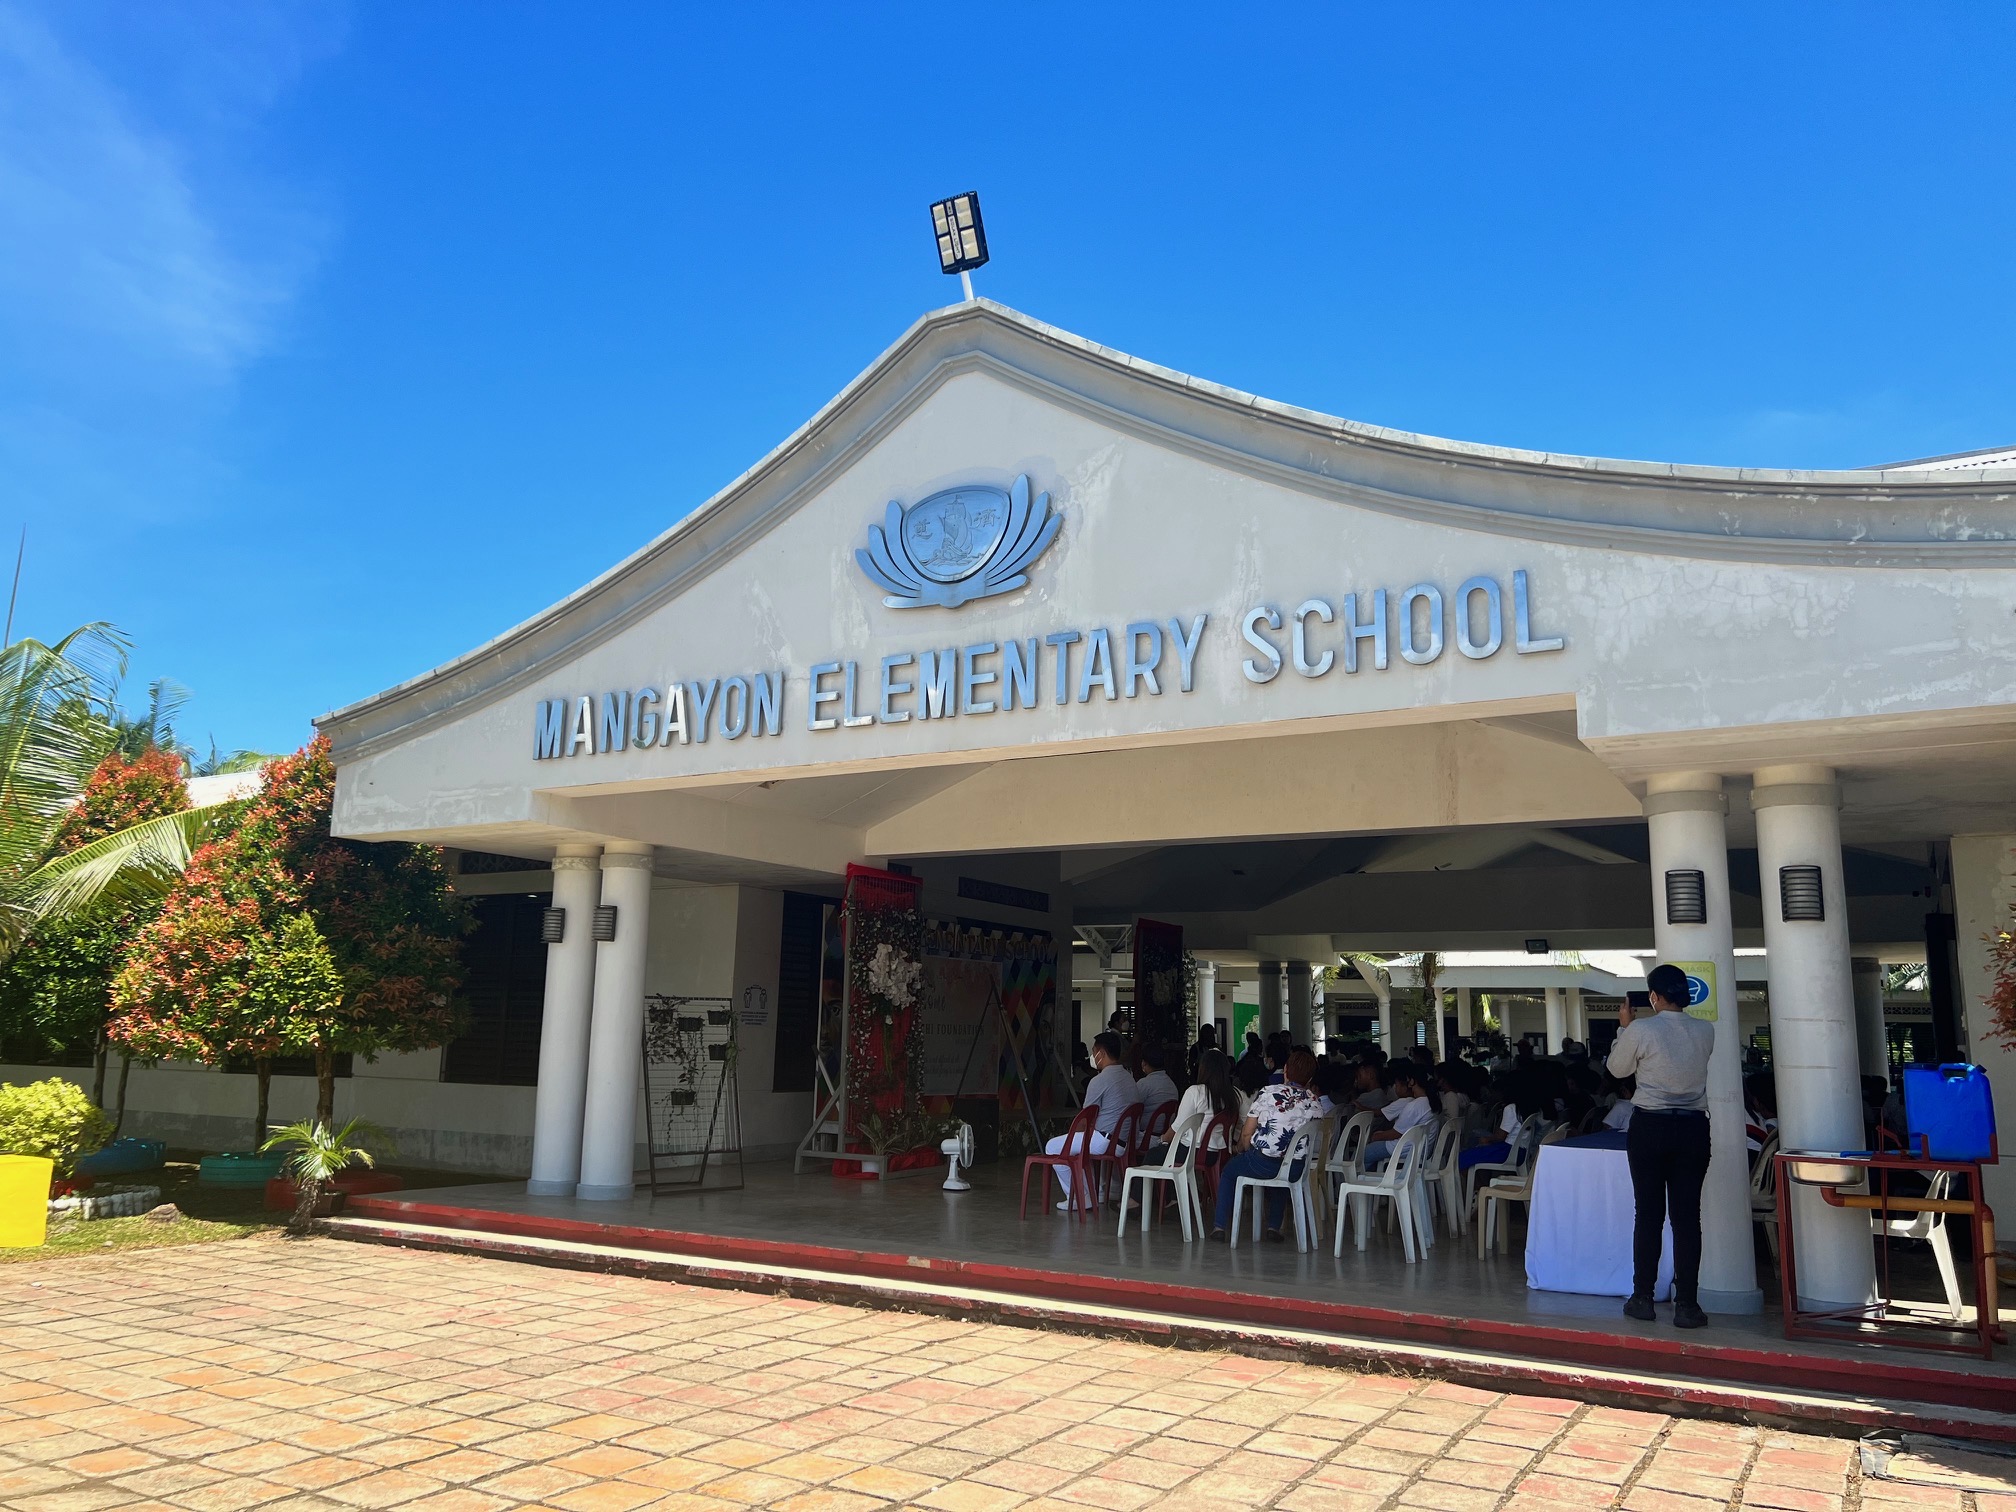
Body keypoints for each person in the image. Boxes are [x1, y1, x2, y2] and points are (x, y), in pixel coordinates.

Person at [1608, 962, 1716, 1330]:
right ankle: (1688, 1303)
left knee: (1649, 1214)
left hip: (1650, 1126)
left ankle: (1643, 1298)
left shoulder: (1641, 1029)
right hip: (1693, 1128)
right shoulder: (1705, 1031)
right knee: (1687, 1218)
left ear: (1654, 997)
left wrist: (1624, 1030)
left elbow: (1618, 1069)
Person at [1209, 1048, 1322, 1241]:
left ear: (1285, 1070)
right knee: (1281, 1173)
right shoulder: (1315, 1102)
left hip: (1262, 1163)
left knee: (1229, 1173)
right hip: (1296, 1168)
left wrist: (1241, 1151)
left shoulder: (1269, 1093)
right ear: (1310, 1078)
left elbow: (1247, 1133)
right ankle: (1273, 1227)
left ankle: (1219, 1227)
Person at [1047, 1031, 1137, 1209]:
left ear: (1101, 1053)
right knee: (1078, 1146)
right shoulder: (1129, 1078)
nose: (1092, 1056)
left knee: (1052, 1147)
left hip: (1103, 1140)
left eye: (1094, 1051)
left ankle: (1079, 1197)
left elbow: (1084, 1120)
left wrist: (1074, 1138)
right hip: (1122, 1142)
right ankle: (1098, 1193)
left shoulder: (1100, 1080)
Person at [1172, 1047, 1248, 1156]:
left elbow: (1178, 1128)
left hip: (1193, 1152)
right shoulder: (1236, 1094)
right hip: (1221, 1153)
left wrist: (1161, 1140)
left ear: (1203, 1069)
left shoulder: (1195, 1092)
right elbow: (1247, 1122)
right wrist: (1236, 1147)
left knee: (1152, 1155)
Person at [1364, 1063, 1436, 1164]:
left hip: (1403, 1149)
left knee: (1364, 1154)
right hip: (1422, 1150)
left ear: (1412, 1081)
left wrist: (1376, 1136)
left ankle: (1361, 1178)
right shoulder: (1432, 1102)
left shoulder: (1415, 1105)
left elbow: (1395, 1133)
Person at [1135, 1041, 1179, 1120]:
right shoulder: (1171, 1085)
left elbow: (1132, 1107)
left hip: (1146, 1130)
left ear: (1144, 1063)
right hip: (1167, 1130)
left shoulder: (1144, 1084)